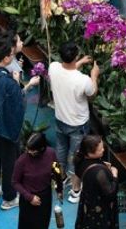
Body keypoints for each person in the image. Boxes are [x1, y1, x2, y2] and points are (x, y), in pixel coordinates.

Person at [0, 41, 40, 210]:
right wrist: (25, 85)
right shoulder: (7, 81)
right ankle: (9, 197)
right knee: (9, 163)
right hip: (3, 129)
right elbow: (18, 104)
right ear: (5, 58)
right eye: (11, 55)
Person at [48, 42, 99, 204]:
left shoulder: (53, 67)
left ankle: (60, 179)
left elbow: (67, 70)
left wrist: (80, 63)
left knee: (60, 151)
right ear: (75, 56)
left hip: (60, 119)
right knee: (77, 158)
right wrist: (94, 75)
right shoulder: (83, 80)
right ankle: (76, 191)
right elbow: (92, 92)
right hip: (77, 124)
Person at [12, 132, 63, 229]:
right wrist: (30, 197)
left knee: (43, 224)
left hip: (45, 197)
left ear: (42, 148)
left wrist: (59, 189)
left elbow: (57, 171)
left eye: (32, 151)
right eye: (28, 149)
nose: (29, 152)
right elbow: (15, 182)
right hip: (28, 199)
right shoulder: (22, 161)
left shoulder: (51, 153)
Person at [74, 135, 119, 229]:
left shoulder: (79, 158)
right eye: (100, 149)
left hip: (88, 202)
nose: (103, 150)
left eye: (103, 147)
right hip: (99, 207)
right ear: (90, 153)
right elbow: (111, 193)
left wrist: (101, 164)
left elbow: (79, 174)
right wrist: (114, 174)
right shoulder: (99, 172)